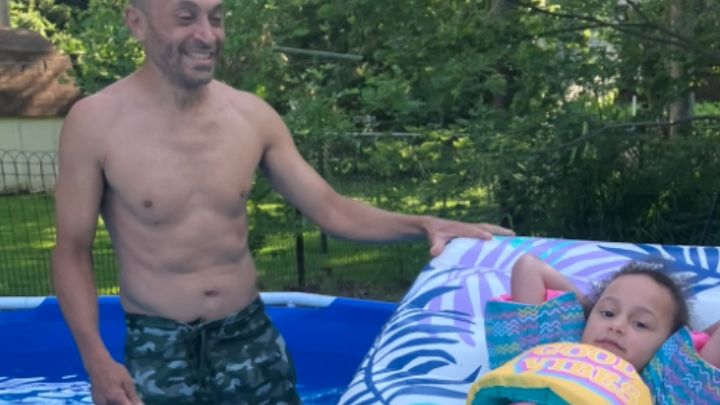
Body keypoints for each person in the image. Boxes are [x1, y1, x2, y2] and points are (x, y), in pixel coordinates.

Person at [50, 1, 514, 404]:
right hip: (158, 349)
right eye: (186, 18)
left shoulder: (250, 116)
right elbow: (71, 250)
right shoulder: (96, 124)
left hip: (249, 339)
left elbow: (331, 209)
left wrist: (423, 225)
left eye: (216, 18)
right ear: (137, 23)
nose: (207, 35)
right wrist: (95, 359)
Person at [480, 253, 720, 403]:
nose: (616, 325)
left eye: (640, 324)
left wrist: (691, 341)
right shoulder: (546, 349)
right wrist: (588, 310)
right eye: (608, 313)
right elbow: (529, 266)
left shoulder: (661, 389)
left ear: (666, 348)